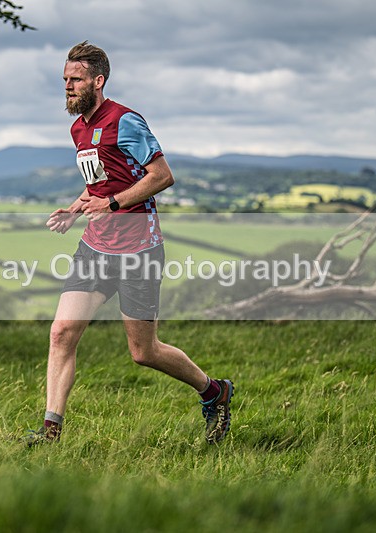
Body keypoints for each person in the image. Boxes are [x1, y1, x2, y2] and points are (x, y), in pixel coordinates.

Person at [26, 41, 234, 446]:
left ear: (98, 81)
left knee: (144, 352)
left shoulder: (125, 121)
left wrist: (113, 204)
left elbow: (162, 176)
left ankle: (214, 391)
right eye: (65, 79)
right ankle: (50, 432)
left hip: (139, 249)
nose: (68, 86)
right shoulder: (78, 128)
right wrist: (75, 209)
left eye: (76, 79)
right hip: (95, 248)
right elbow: (99, 184)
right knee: (62, 332)